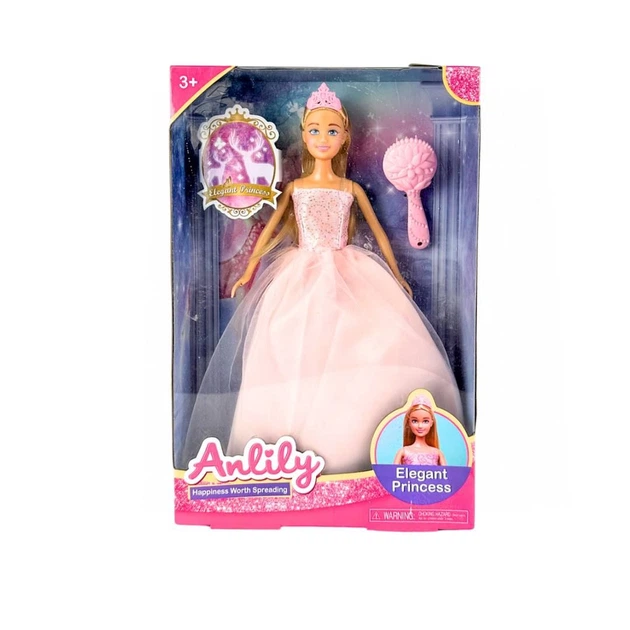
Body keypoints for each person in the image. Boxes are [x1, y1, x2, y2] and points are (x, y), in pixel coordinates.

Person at [180, 83, 461, 473]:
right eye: (314, 130)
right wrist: (248, 270)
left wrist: (396, 274)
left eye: (331, 130)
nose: (323, 138)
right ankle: (285, 445)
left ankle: (348, 433)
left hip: (349, 270)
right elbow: (272, 231)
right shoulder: (296, 188)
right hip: (300, 274)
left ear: (344, 136)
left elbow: (380, 234)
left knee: (361, 342)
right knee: (290, 349)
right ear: (304, 135)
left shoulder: (349, 188)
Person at [394, 395, 446, 466]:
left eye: (425, 421)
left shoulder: (437, 453)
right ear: (409, 422)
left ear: (431, 423)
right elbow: (393, 472)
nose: (420, 426)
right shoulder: (404, 452)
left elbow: (446, 472)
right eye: (414, 421)